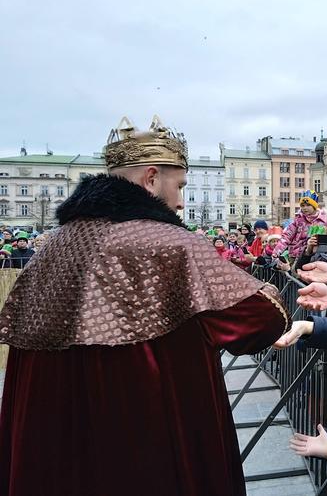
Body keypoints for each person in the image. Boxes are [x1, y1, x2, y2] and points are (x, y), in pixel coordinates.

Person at [0, 116, 288, 496]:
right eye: (180, 186)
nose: (182, 201)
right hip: (146, 439)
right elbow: (260, 317)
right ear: (151, 178)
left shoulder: (51, 246)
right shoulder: (171, 244)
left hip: (55, 446)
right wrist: (271, 288)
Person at [272, 190, 327, 261]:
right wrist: (276, 252)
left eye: (308, 205)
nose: (305, 208)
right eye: (302, 205)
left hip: (315, 256)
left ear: (314, 206)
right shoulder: (298, 220)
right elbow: (286, 236)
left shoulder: (323, 221)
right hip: (296, 255)